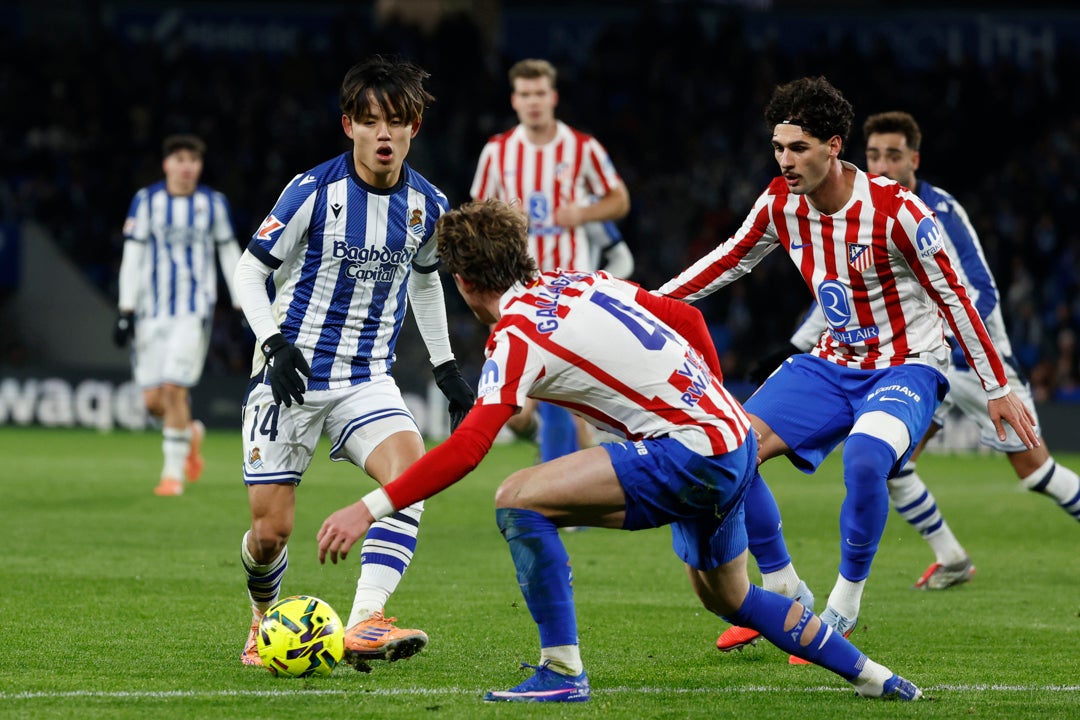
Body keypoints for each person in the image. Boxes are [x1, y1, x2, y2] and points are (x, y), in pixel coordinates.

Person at [315, 198, 922, 702]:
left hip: (689, 453)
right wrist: (713, 403)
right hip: (730, 439)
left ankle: (561, 671)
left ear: (465, 282)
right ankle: (875, 678)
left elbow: (473, 445)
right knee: (728, 597)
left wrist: (368, 507)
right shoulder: (577, 282)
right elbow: (684, 316)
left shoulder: (516, 334)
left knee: (517, 499)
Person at [656, 77, 1038, 658]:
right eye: (779, 147)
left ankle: (844, 606)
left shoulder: (897, 211)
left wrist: (997, 386)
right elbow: (728, 261)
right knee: (729, 447)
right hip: (832, 363)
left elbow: (955, 296)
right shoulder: (779, 204)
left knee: (865, 460)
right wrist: (648, 303)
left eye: (799, 148)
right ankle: (784, 591)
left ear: (834, 146)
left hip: (907, 365)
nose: (785, 161)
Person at [752, 112, 1080, 596]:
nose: (882, 163)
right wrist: (799, 344)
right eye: (874, 154)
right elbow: (846, 295)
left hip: (970, 363)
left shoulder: (940, 212)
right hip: (912, 364)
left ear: (914, 160)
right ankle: (951, 557)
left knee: (1037, 472)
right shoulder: (857, 210)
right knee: (887, 465)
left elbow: (981, 291)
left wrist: (943, 337)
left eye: (894, 155)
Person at [230, 56, 475, 671]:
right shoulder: (313, 191)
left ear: (415, 127)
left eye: (397, 121)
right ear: (349, 126)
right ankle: (264, 616)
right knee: (270, 535)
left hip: (366, 379)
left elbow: (424, 283)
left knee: (409, 477)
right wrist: (274, 344)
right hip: (290, 376)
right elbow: (249, 270)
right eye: (371, 122)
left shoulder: (428, 203)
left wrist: (445, 367)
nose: (384, 134)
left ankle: (366, 620)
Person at [470, 58, 631, 461]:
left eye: (540, 93)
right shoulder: (497, 151)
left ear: (553, 96)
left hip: (568, 290)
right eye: (525, 94)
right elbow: (476, 211)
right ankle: (551, 441)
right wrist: (503, 218)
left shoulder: (582, 147)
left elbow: (619, 199)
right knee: (516, 414)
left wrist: (582, 213)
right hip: (516, 291)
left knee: (569, 395)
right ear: (514, 99)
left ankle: (573, 494)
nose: (533, 102)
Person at [113, 134, 241, 497]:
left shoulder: (213, 204)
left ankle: (172, 475)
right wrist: (126, 310)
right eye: (180, 159)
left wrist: (240, 303)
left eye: (194, 161)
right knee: (154, 401)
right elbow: (134, 257)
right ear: (167, 164)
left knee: (173, 389)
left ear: (199, 167)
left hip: (192, 311)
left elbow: (228, 251)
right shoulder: (146, 201)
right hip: (150, 314)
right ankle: (190, 432)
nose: (187, 167)